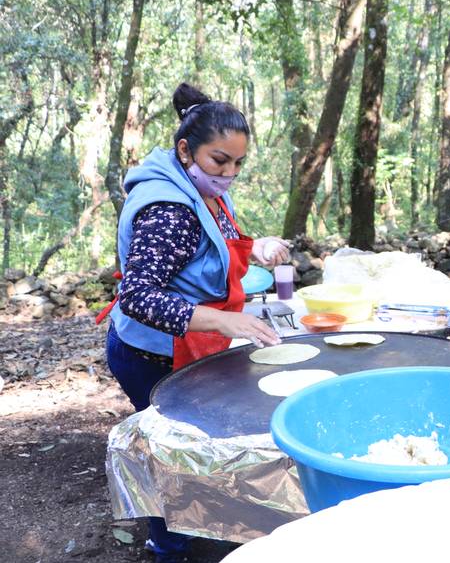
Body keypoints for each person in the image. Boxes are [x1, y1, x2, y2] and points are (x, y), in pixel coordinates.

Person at [102, 83, 288, 562]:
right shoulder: (168, 207)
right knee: (171, 456)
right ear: (186, 149)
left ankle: (200, 531)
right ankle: (168, 546)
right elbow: (138, 296)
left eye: (238, 163)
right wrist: (226, 323)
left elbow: (213, 244)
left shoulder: (198, 189)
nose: (229, 173)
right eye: (219, 160)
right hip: (151, 354)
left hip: (189, 344)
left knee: (191, 449)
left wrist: (260, 244)